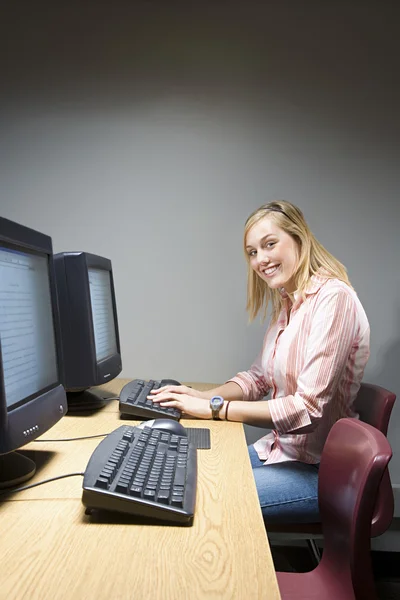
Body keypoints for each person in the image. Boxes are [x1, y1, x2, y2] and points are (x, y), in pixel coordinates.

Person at [149, 200, 370, 523]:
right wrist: (201, 397)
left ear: (300, 238)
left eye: (269, 245)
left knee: (198, 499)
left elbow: (306, 410)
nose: (260, 260)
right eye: (252, 252)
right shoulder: (289, 302)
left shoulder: (334, 299)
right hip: (281, 453)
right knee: (182, 472)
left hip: (321, 471)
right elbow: (258, 378)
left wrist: (215, 409)